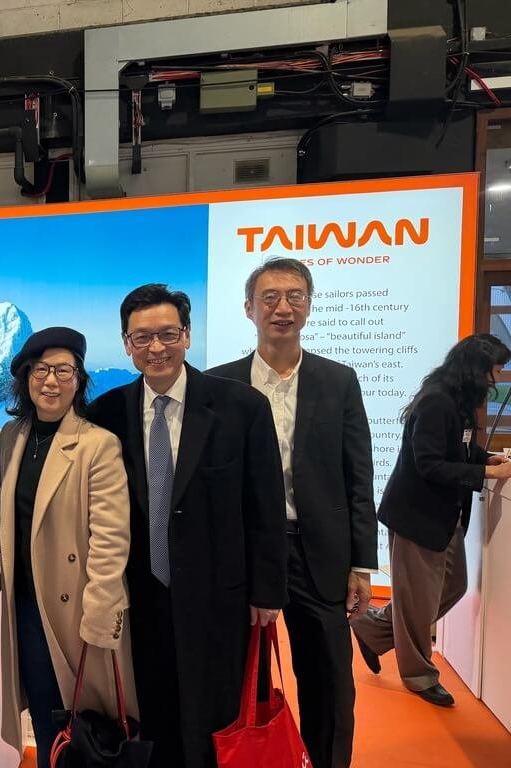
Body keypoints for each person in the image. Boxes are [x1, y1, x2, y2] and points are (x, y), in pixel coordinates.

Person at [87, 283, 288, 768]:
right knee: (149, 708)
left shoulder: (241, 407)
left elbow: (265, 506)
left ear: (188, 335)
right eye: (141, 338)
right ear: (126, 343)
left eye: (167, 334)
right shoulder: (106, 413)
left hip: (220, 594)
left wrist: (268, 593)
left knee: (216, 713)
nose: (155, 348)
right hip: (139, 591)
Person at [206, 257, 377, 768]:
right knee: (243, 676)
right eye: (270, 297)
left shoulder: (338, 380)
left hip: (316, 549)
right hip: (244, 551)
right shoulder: (221, 386)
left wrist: (361, 562)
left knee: (329, 681)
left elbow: (358, 475)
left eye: (295, 296)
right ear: (249, 308)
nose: (283, 307)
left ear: (309, 304)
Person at [0, 327, 136, 768]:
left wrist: (103, 606)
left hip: (80, 609)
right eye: (41, 370)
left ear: (79, 380)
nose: (51, 381)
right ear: (25, 379)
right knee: (49, 718)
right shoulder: (12, 436)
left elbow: (111, 533)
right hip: (29, 605)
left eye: (63, 371)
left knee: (89, 723)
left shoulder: (97, 444)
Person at [351, 333, 511, 707]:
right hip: (416, 516)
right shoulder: (437, 401)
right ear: (476, 368)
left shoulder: (459, 401)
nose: (498, 376)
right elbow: (430, 464)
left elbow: (460, 447)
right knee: (419, 603)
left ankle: (372, 629)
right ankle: (419, 675)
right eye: (495, 368)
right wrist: (484, 475)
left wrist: (484, 459)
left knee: (453, 587)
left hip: (443, 516)